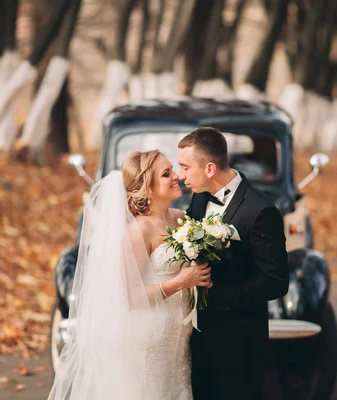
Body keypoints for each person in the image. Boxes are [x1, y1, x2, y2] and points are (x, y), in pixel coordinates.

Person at [48, 150, 211, 400]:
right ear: (147, 187)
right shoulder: (138, 231)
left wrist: (199, 280)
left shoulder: (180, 219)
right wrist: (179, 283)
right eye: (166, 174)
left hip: (178, 338)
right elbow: (128, 296)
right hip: (149, 339)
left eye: (173, 171)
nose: (176, 176)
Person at [178, 127, 289, 400]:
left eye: (185, 167)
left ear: (210, 169)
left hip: (239, 342)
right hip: (198, 337)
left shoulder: (261, 211)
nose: (180, 176)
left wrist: (221, 296)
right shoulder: (199, 196)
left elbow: (276, 281)